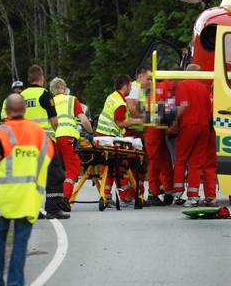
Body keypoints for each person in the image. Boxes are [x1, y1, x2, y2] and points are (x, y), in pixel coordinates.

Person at [0, 94, 53, 286]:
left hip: (3, 197)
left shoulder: (2, 132)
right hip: (28, 197)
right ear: (24, 109)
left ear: (7, 110)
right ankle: (15, 285)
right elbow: (48, 157)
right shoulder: (38, 132)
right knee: (21, 241)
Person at [21, 65, 67, 218]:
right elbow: (54, 121)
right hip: (43, 141)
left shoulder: (21, 96)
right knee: (55, 173)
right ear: (42, 78)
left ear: (29, 79)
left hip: (25, 142)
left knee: (31, 176)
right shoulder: (46, 95)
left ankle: (32, 210)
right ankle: (53, 208)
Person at [96, 73, 144, 203]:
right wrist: (139, 121)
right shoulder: (120, 103)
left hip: (102, 135)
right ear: (126, 86)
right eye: (130, 86)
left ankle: (107, 193)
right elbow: (120, 123)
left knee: (109, 166)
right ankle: (126, 193)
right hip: (110, 138)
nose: (130, 89)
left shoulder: (112, 96)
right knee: (120, 165)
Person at [172, 66, 216, 206]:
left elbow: (183, 105)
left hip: (189, 126)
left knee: (181, 159)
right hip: (204, 128)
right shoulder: (204, 89)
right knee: (196, 163)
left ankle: (178, 192)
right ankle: (193, 196)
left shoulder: (183, 85)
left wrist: (170, 119)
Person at [51, 77, 92, 205]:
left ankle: (54, 198)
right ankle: (65, 197)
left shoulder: (50, 101)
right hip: (68, 137)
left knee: (56, 169)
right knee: (72, 168)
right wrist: (91, 132)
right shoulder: (72, 100)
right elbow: (84, 120)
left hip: (53, 138)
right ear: (64, 88)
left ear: (52, 90)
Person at [145, 75, 175, 206]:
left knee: (162, 160)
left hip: (156, 128)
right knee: (157, 161)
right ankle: (155, 192)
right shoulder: (166, 86)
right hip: (155, 127)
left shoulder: (157, 88)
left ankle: (164, 191)